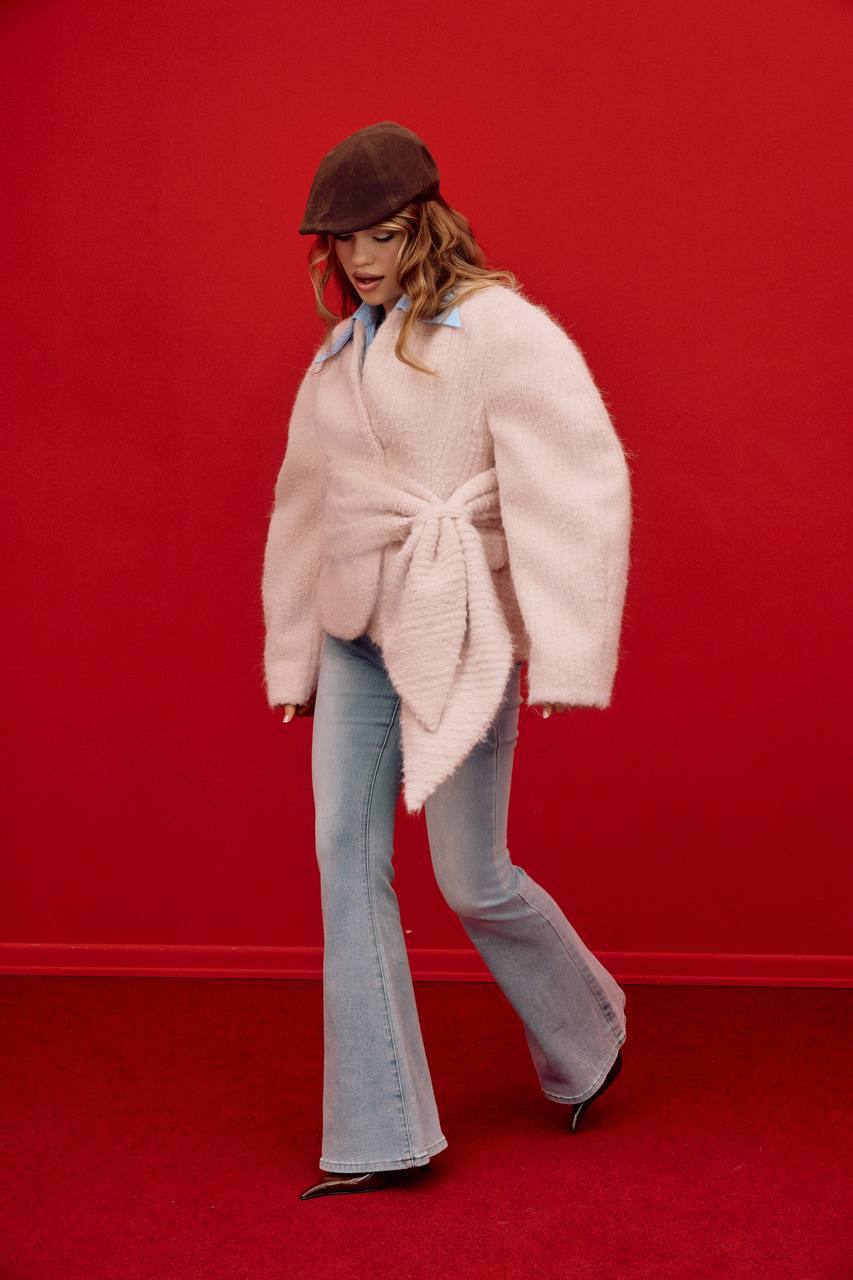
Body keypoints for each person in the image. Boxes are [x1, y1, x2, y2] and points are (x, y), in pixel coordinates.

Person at [260, 121, 633, 1200]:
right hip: (356, 631)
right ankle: (380, 1133)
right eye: (343, 242)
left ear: (426, 224)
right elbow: (304, 506)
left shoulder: (499, 329)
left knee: (472, 876)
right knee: (344, 858)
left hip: (460, 623)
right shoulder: (340, 354)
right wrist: (295, 659)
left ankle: (591, 1030)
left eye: (380, 235)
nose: (361, 260)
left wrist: (564, 650)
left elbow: (577, 478)